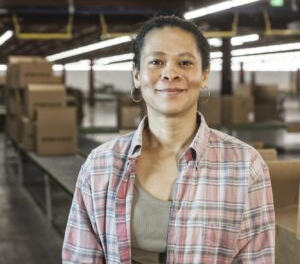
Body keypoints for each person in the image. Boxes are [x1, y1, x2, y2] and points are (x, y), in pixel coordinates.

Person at [62, 15, 275, 263]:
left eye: (185, 62)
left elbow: (256, 258)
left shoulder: (245, 166)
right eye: (156, 61)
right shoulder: (100, 166)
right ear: (137, 76)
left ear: (204, 75)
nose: (170, 73)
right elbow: (81, 257)